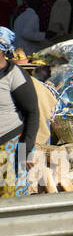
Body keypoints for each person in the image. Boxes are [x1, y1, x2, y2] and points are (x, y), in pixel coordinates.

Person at [0, 27, 40, 199]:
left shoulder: (15, 75)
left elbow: (32, 114)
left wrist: (26, 151)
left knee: (9, 202)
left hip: (9, 146)